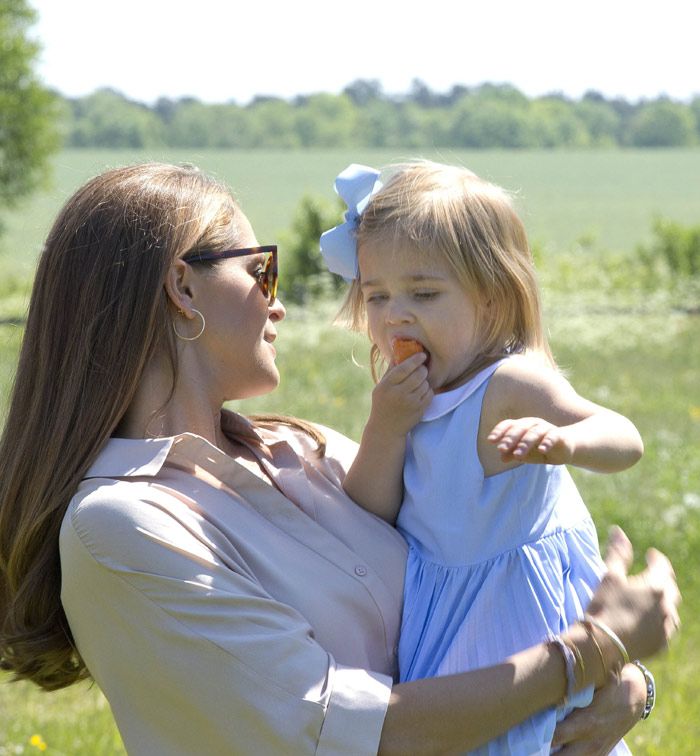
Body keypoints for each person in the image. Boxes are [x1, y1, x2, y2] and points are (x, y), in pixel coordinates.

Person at [0, 162, 679, 756]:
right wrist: (590, 653)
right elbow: (360, 737)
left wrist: (624, 685)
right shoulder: (119, 524)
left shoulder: (307, 450)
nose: (281, 305)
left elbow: (500, 573)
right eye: (261, 270)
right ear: (183, 288)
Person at [320, 161, 652, 754]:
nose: (396, 314)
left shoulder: (507, 386)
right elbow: (368, 512)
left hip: (517, 629)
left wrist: (566, 443)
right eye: (377, 296)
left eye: (424, 293)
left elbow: (624, 436)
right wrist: (386, 426)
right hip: (444, 636)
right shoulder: (408, 398)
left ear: (493, 298)